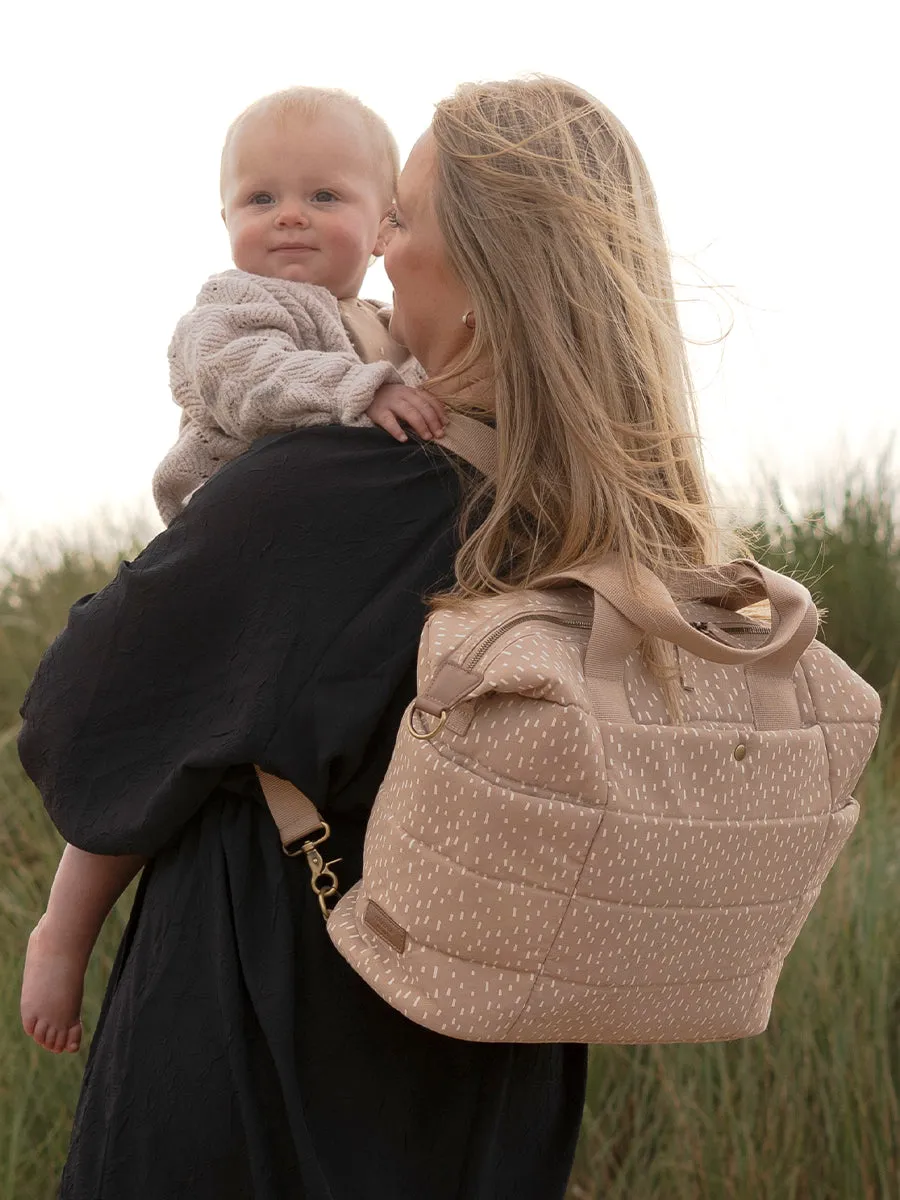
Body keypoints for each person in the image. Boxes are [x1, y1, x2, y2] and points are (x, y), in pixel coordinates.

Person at [18, 74, 720, 1199]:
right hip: (489, 1079)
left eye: (401, 219)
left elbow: (81, 716)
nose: (383, 254)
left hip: (266, 1051)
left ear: (486, 284)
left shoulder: (340, 490)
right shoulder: (612, 527)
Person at [20, 85, 445, 1057]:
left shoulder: (383, 329)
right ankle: (66, 925)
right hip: (216, 564)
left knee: (211, 760)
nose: (288, 216)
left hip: (304, 593)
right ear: (225, 222)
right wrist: (358, 388)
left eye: (323, 197)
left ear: (385, 225)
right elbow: (238, 375)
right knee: (153, 752)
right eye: (259, 199)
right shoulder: (240, 308)